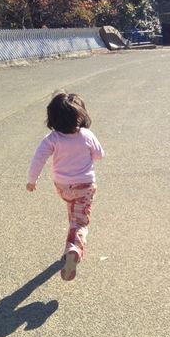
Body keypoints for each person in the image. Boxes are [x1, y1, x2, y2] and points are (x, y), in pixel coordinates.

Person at [26, 92, 105, 281]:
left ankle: (69, 245)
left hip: (62, 186)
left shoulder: (52, 138)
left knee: (73, 212)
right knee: (80, 222)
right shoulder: (86, 135)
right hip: (84, 185)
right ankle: (74, 249)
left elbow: (38, 159)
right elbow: (99, 155)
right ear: (80, 115)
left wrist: (32, 180)